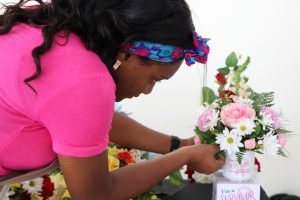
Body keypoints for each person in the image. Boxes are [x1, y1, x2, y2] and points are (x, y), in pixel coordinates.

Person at [0, 0, 224, 199]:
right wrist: (184, 157)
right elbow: (94, 194)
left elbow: (80, 121)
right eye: (155, 79)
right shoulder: (85, 81)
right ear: (126, 54)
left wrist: (179, 145)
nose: (148, 91)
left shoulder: (50, 25)